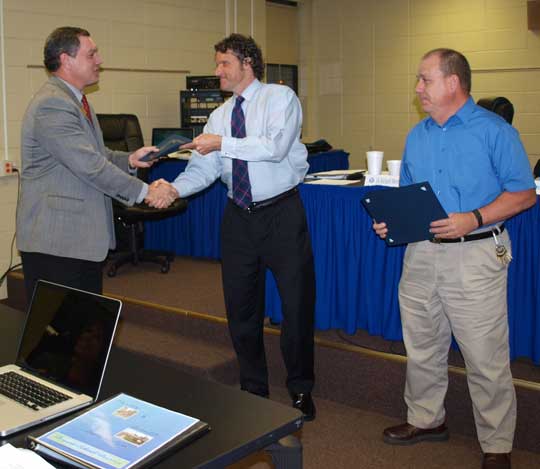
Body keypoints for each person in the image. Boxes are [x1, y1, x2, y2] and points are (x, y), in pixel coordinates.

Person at [373, 49, 536, 469]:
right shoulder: (417, 135)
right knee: (423, 345)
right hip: (421, 254)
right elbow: (411, 195)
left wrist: (474, 218)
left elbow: (524, 194)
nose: (417, 89)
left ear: (453, 82)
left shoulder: (494, 131)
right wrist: (394, 222)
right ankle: (427, 420)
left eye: (425, 80)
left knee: (484, 354)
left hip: (476, 254)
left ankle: (497, 443)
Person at [162, 33, 316, 420]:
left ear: (247, 62)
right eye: (216, 64)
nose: (217, 72)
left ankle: (300, 388)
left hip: (281, 214)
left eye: (223, 63)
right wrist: (172, 187)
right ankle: (253, 388)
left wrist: (222, 143)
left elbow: (273, 147)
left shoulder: (281, 99)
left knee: (296, 307)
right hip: (238, 217)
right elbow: (204, 169)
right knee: (241, 310)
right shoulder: (219, 115)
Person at [17, 26, 177, 300]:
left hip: (77, 242)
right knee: (58, 333)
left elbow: (96, 154)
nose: (99, 60)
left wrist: (129, 159)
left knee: (82, 328)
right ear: (66, 60)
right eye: (91, 54)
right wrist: (145, 192)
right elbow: (89, 165)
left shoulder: (76, 101)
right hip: (57, 244)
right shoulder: (53, 104)